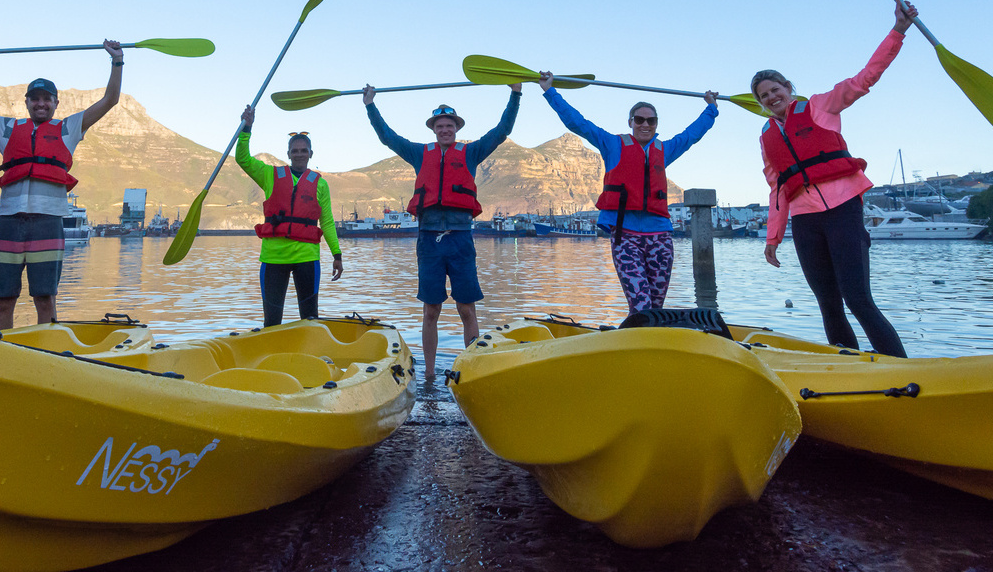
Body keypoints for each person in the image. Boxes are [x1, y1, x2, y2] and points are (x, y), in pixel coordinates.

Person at [752, 2, 918, 358]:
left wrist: (898, 31)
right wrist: (773, 238)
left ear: (787, 87)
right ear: (761, 103)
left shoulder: (821, 106)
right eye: (764, 96)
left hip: (842, 210)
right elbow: (776, 190)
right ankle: (850, 368)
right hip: (805, 221)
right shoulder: (766, 138)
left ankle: (899, 367)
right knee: (828, 302)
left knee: (858, 298)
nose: (771, 97)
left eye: (775, 89)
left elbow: (865, 78)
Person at [0, 41, 123, 330]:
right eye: (35, 98)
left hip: (48, 222)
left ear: (55, 104)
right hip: (9, 222)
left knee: (45, 297)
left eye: (46, 99)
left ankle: (46, 350)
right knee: (4, 297)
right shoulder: (7, 128)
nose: (40, 103)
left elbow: (109, 100)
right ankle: (3, 348)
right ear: (26, 102)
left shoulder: (68, 128)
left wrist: (117, 61)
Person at [362, 84, 521, 380]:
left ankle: (471, 372)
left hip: (461, 239)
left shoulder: (471, 152)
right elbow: (388, 138)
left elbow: (502, 130)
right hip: (429, 241)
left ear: (456, 128)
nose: (445, 130)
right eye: (440, 126)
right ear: (434, 130)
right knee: (430, 311)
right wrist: (370, 106)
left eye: (449, 125)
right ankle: (431, 375)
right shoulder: (419, 154)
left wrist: (515, 95)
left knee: (466, 310)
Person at [539, 74, 718, 313]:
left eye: (651, 121)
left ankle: (645, 342)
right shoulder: (611, 144)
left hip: (660, 236)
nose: (645, 124)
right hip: (625, 236)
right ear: (630, 122)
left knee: (655, 306)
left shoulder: (665, 150)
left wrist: (711, 109)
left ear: (656, 124)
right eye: (640, 119)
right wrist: (550, 92)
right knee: (641, 304)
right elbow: (577, 123)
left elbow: (692, 134)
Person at [235, 106, 343, 326]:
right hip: (274, 258)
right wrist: (247, 127)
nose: (300, 154)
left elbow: (328, 222)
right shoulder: (270, 175)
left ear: (311, 154)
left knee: (310, 319)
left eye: (304, 150)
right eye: (295, 151)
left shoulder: (320, 184)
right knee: (272, 321)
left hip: (307, 257)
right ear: (288, 154)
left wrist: (337, 254)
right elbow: (242, 159)